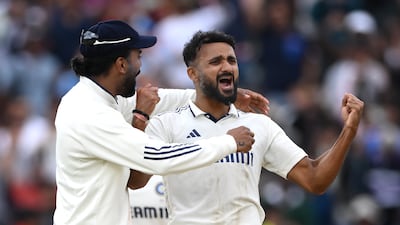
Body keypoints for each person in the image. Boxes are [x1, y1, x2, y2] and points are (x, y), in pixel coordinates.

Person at [53, 20, 271, 225]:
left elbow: (161, 99)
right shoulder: (90, 113)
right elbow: (160, 157)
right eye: (138, 56)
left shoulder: (96, 98)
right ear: (121, 64)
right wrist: (228, 142)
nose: (141, 65)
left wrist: (221, 95)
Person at [144, 30, 365, 225]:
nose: (227, 67)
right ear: (192, 74)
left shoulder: (258, 125)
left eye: (232, 60)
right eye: (216, 62)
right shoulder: (167, 124)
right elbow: (137, 181)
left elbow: (315, 180)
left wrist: (348, 132)